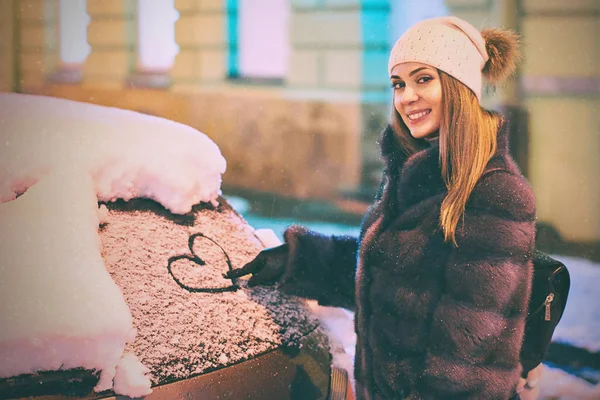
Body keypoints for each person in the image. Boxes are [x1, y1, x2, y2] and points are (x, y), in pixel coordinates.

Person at [227, 16, 538, 399]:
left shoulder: (494, 194)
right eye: (399, 84)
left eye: (423, 79)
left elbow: (464, 351)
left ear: (459, 86)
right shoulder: (416, 175)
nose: (406, 97)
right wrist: (300, 260)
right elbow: (389, 279)